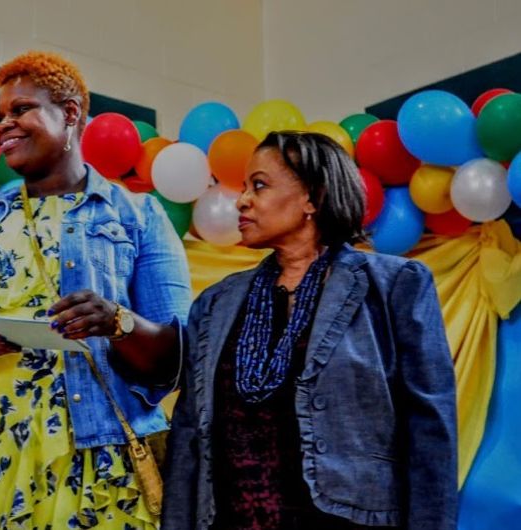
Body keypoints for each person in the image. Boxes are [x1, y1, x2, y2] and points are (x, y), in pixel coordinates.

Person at [0, 51, 191, 529]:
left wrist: (118, 323)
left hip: (102, 461)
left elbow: (178, 357)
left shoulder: (136, 215)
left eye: (21, 109)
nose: (4, 125)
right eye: (0, 115)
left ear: (70, 113)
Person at [162, 131, 458, 530]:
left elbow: (430, 429)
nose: (241, 200)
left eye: (259, 185)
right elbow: (188, 434)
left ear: (313, 198)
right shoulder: (216, 303)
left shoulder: (396, 286)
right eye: (245, 187)